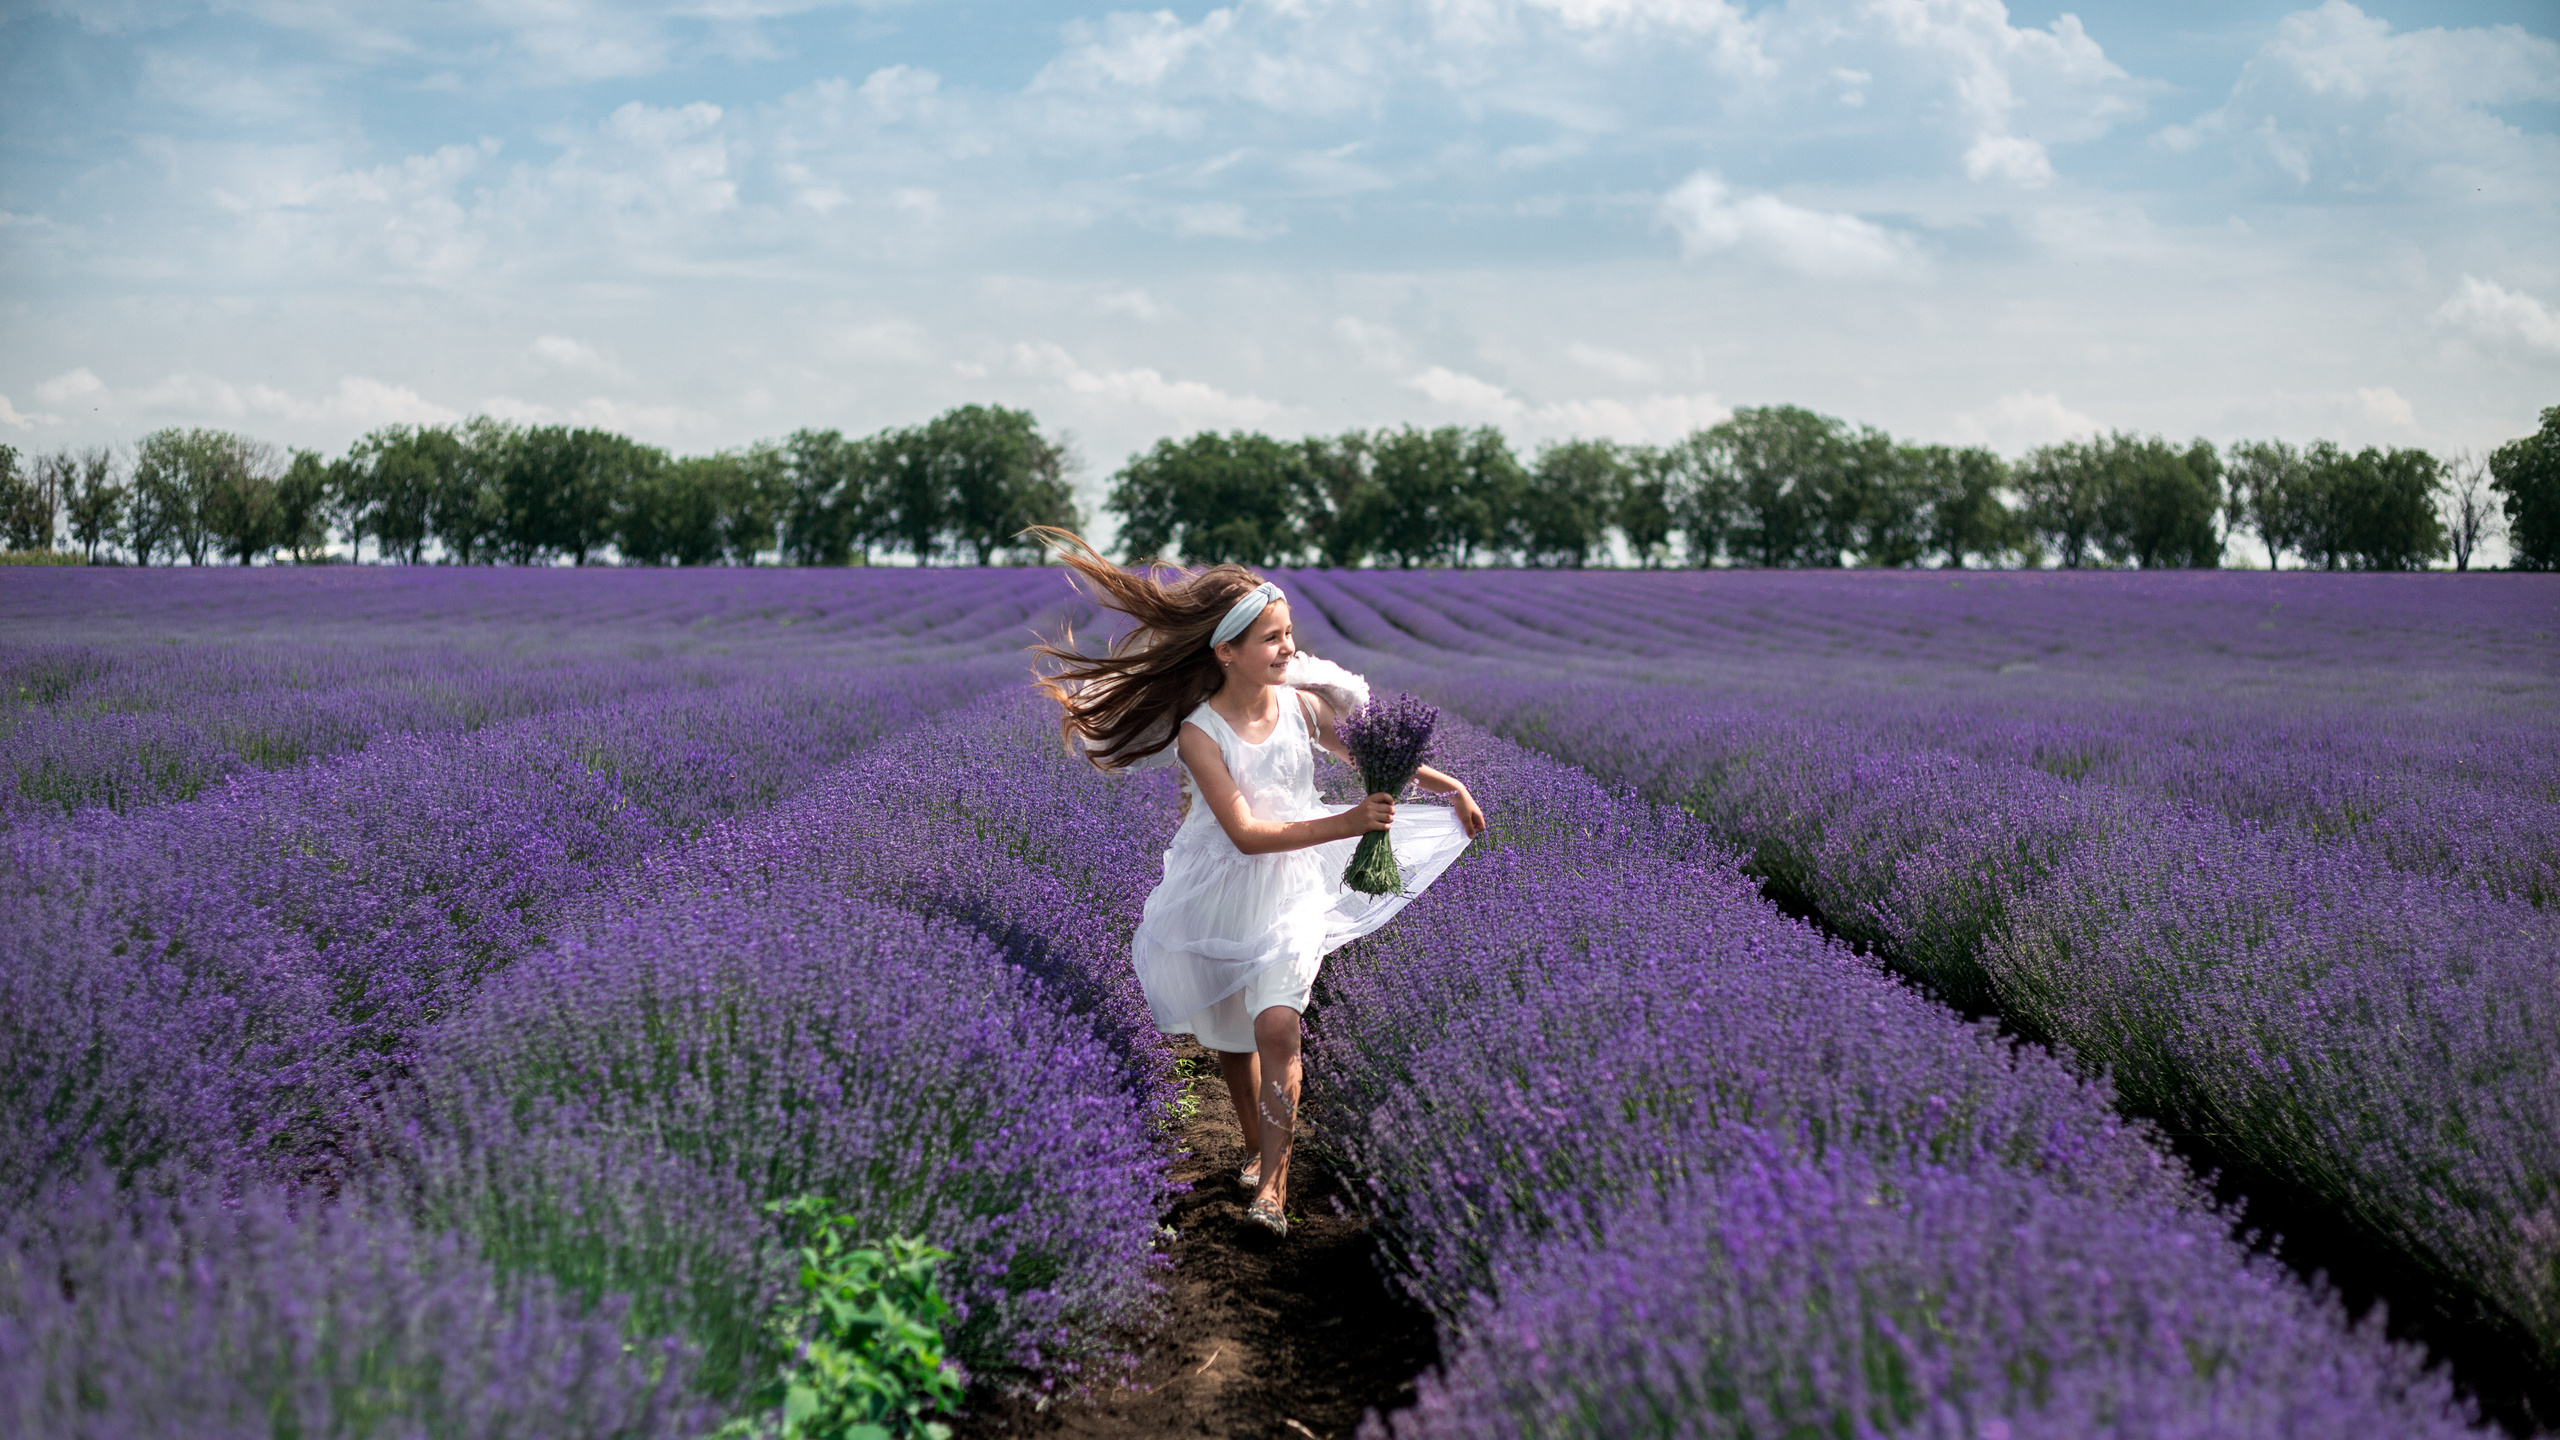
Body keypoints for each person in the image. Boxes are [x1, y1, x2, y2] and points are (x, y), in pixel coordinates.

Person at [1027, 528, 1484, 1238]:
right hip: (1221, 882)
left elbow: (1372, 751)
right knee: (1231, 1038)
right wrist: (1350, 823)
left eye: (1290, 635)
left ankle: (1271, 1188)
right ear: (1227, 652)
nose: (1287, 650)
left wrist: (1446, 785)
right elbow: (1243, 833)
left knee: (1277, 1024)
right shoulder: (1200, 733)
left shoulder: (1301, 706)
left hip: (1294, 887)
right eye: (1272, 639)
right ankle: (1253, 1146)